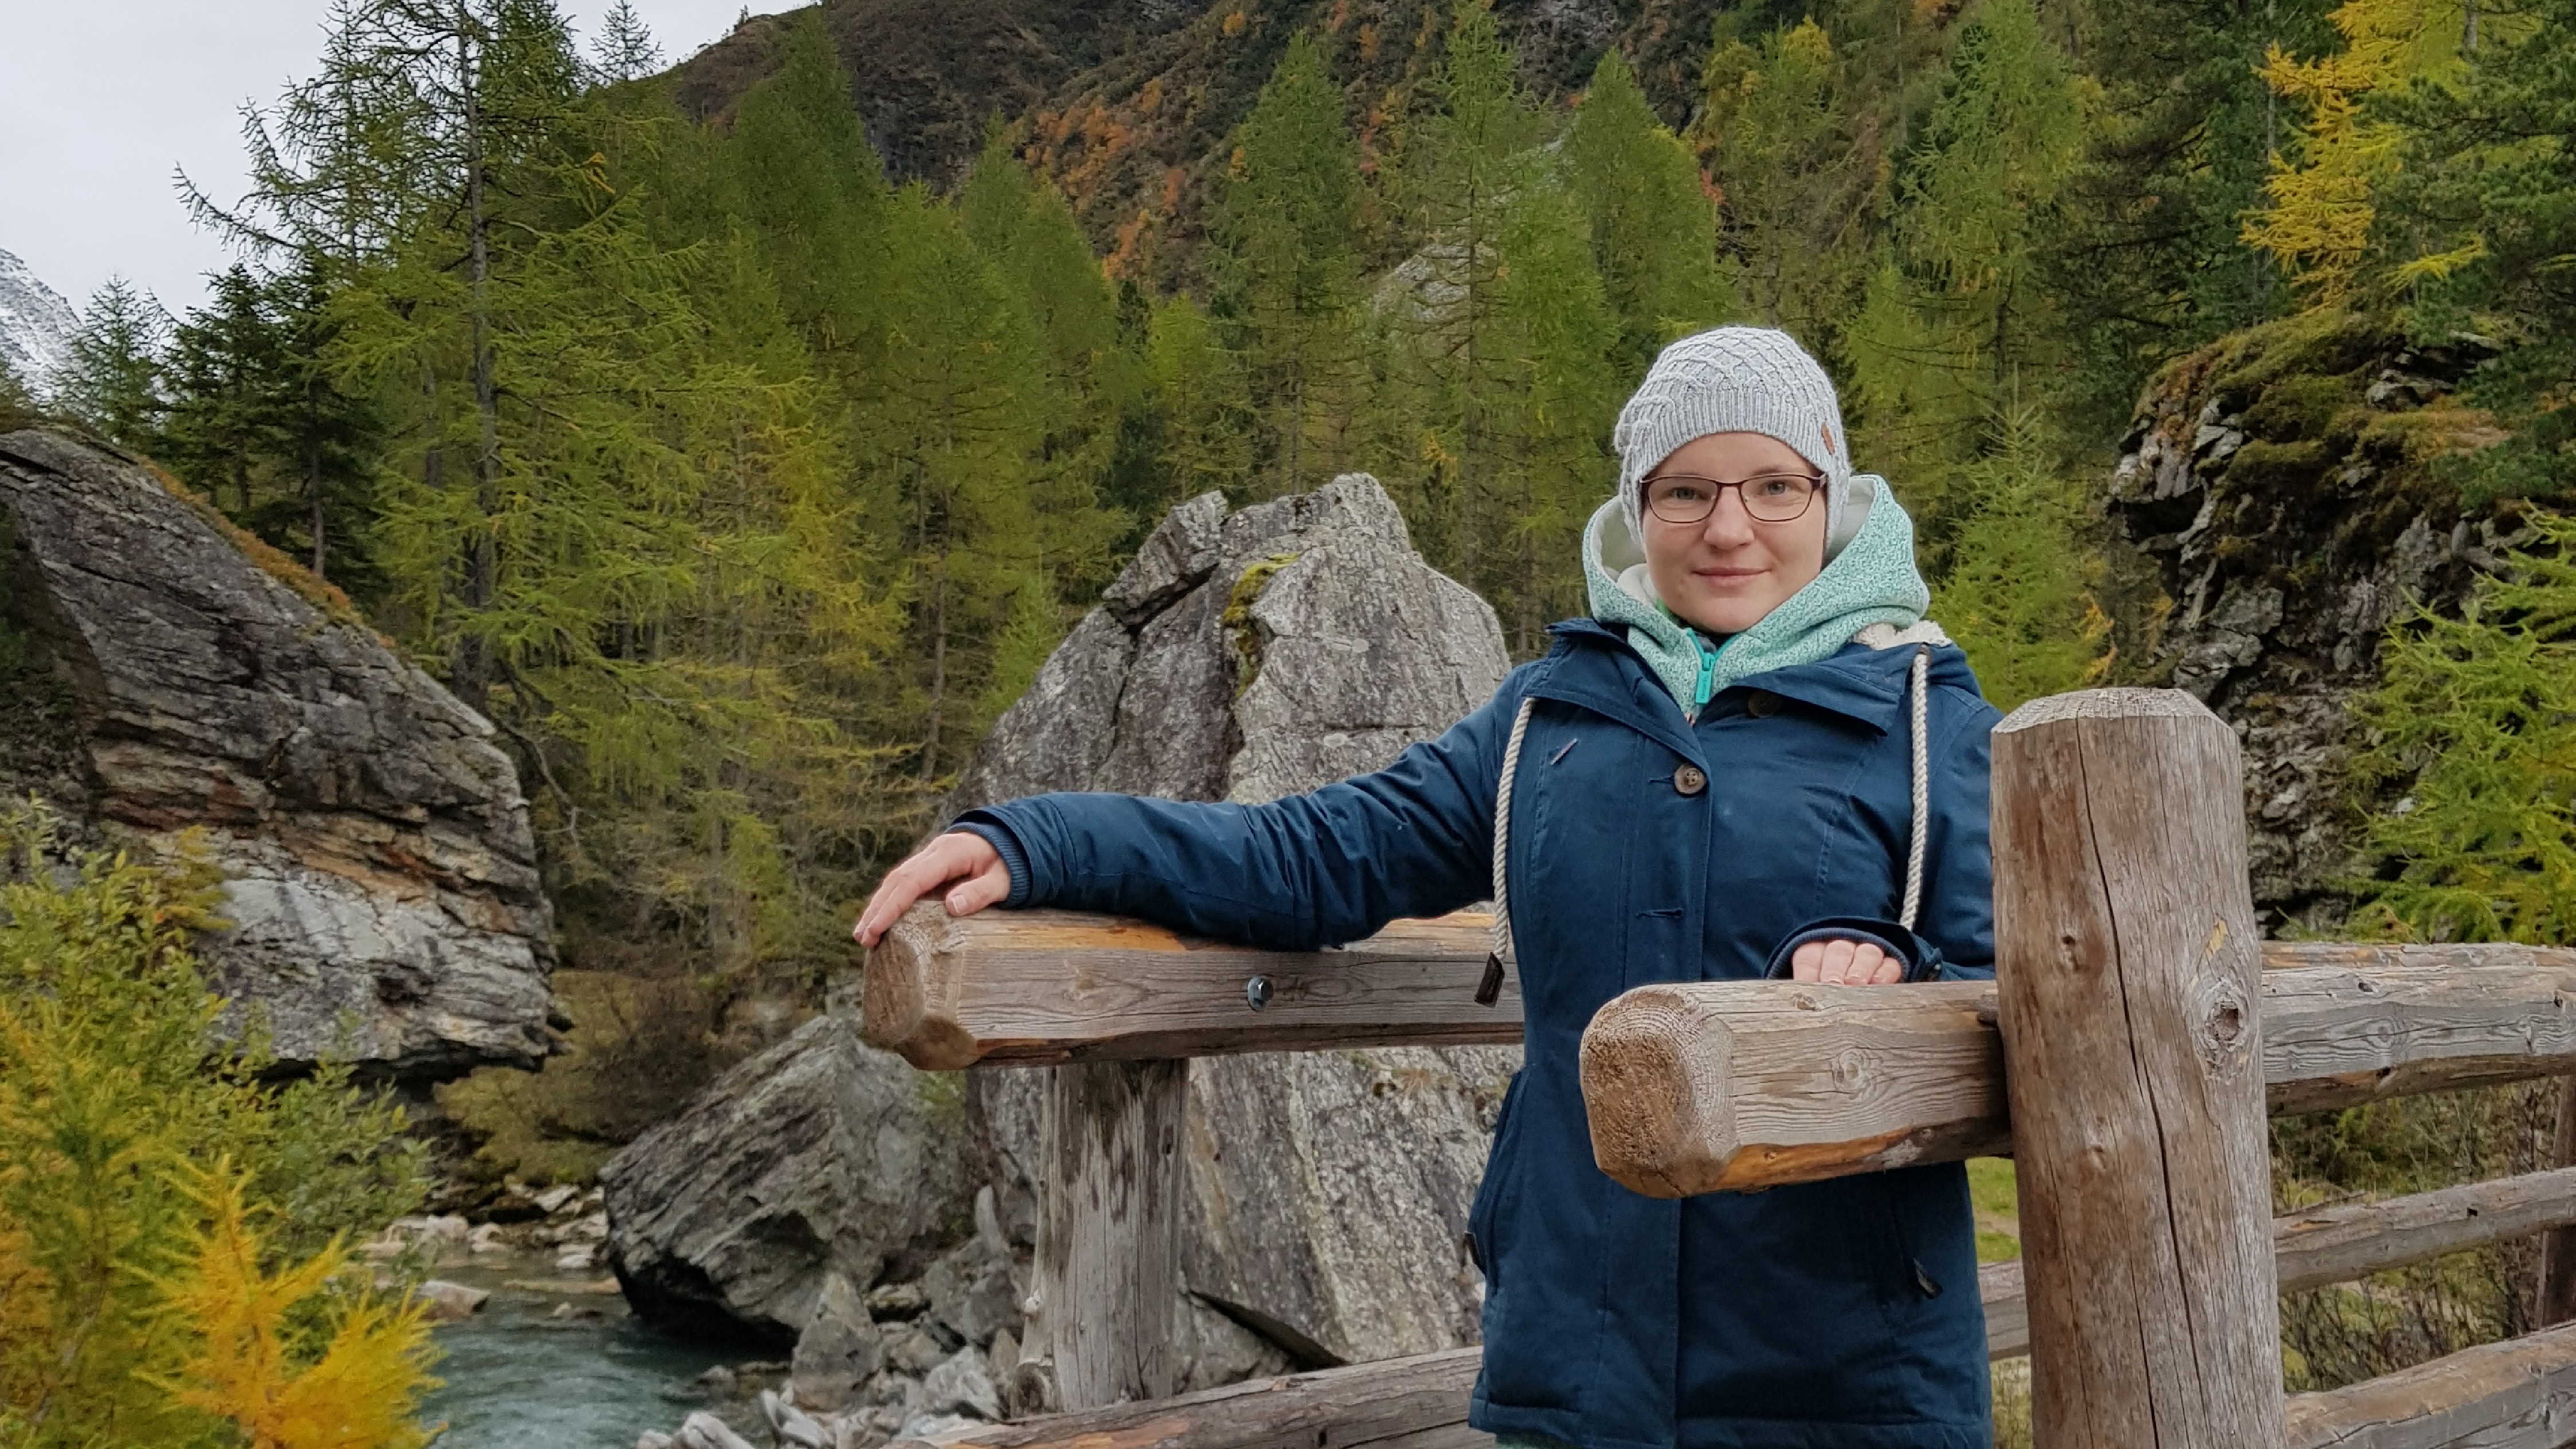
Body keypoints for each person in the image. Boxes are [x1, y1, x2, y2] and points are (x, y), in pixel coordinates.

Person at [856, 327, 1999, 1449]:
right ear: (1637, 509)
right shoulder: (1546, 722)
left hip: (1846, 1378)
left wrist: (1890, 978)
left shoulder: (1927, 726)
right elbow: (1308, 860)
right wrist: (1043, 842)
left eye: (1773, 486)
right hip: (1576, 1368)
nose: (1731, 527)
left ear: (1833, 493)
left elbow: (2024, 1000)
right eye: (1687, 491)